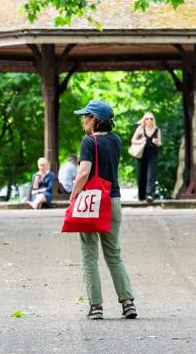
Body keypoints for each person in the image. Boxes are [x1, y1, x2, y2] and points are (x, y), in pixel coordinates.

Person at [71, 100, 137, 320]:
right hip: (113, 200)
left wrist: (73, 197)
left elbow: (83, 173)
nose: (83, 120)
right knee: (114, 254)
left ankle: (96, 306)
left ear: (95, 120)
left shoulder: (88, 142)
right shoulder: (116, 141)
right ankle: (128, 303)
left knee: (89, 255)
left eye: (86, 116)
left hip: (92, 202)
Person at [131, 112, 162, 202]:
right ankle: (141, 196)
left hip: (152, 154)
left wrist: (156, 142)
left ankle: (150, 195)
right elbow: (133, 140)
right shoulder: (140, 129)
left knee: (151, 175)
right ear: (144, 120)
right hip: (141, 154)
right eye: (147, 118)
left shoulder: (157, 130)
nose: (149, 120)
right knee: (141, 175)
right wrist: (140, 140)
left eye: (151, 118)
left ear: (153, 120)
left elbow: (160, 143)